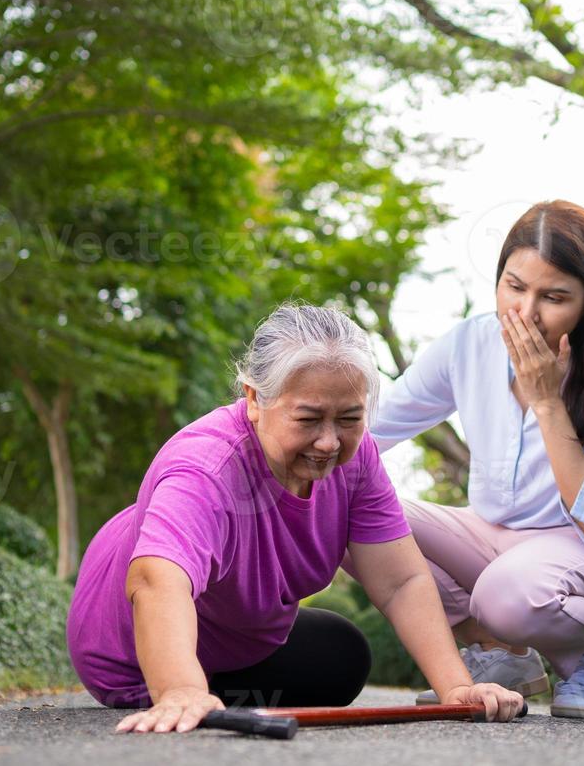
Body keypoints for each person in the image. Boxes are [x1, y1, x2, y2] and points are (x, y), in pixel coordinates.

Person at [67, 304, 525, 734]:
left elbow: (400, 581)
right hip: (129, 646)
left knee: (342, 657)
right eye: (308, 418)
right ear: (253, 400)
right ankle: (189, 688)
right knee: (194, 694)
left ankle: (206, 689)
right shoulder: (206, 467)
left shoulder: (356, 457)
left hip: (238, 633)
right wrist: (180, 690)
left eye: (349, 417)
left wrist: (458, 689)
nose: (329, 442)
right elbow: (156, 583)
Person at [368, 200, 584, 719]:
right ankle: (500, 656)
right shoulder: (470, 343)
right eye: (514, 286)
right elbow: (372, 429)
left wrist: (548, 402)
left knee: (507, 594)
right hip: (495, 537)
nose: (524, 314)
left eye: (553, 297)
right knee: (350, 512)